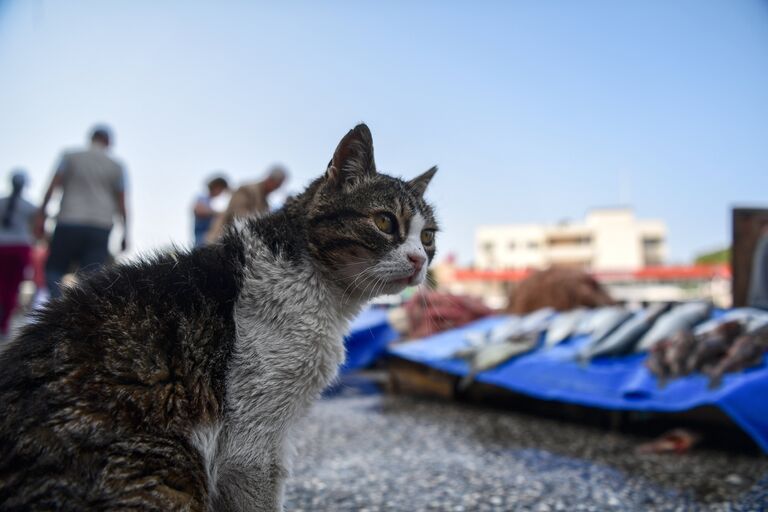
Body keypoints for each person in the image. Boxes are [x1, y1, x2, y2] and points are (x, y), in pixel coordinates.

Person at [35, 125, 128, 298]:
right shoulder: (117, 166)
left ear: (91, 138)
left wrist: (41, 216)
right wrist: (125, 233)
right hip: (100, 227)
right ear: (108, 142)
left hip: (69, 221)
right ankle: (76, 314)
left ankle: (58, 304)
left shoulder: (70, 156)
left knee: (54, 270)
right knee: (91, 277)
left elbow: (52, 187)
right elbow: (123, 203)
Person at [205, 165, 287, 243]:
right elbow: (238, 215)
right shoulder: (246, 190)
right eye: (277, 185)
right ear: (270, 180)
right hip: (220, 240)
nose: (277, 189)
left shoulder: (265, 203)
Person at [0, 170, 37, 339]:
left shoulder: (1, 203)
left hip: (2, 246)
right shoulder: (29, 207)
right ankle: (4, 324)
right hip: (20, 248)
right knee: (12, 287)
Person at [192, 174, 229, 247]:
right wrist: (219, 213)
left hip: (206, 235)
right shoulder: (202, 197)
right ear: (216, 187)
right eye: (221, 190)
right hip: (202, 236)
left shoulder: (209, 202)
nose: (221, 193)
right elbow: (198, 210)